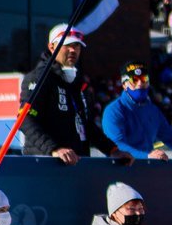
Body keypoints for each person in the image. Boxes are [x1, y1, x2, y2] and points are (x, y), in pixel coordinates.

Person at [20, 24, 132, 165]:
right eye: (67, 45)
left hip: (77, 163)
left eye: (77, 46)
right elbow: (25, 119)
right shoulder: (39, 78)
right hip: (46, 164)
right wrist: (54, 149)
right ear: (52, 47)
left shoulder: (77, 80)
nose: (73, 50)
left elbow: (85, 124)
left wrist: (112, 150)